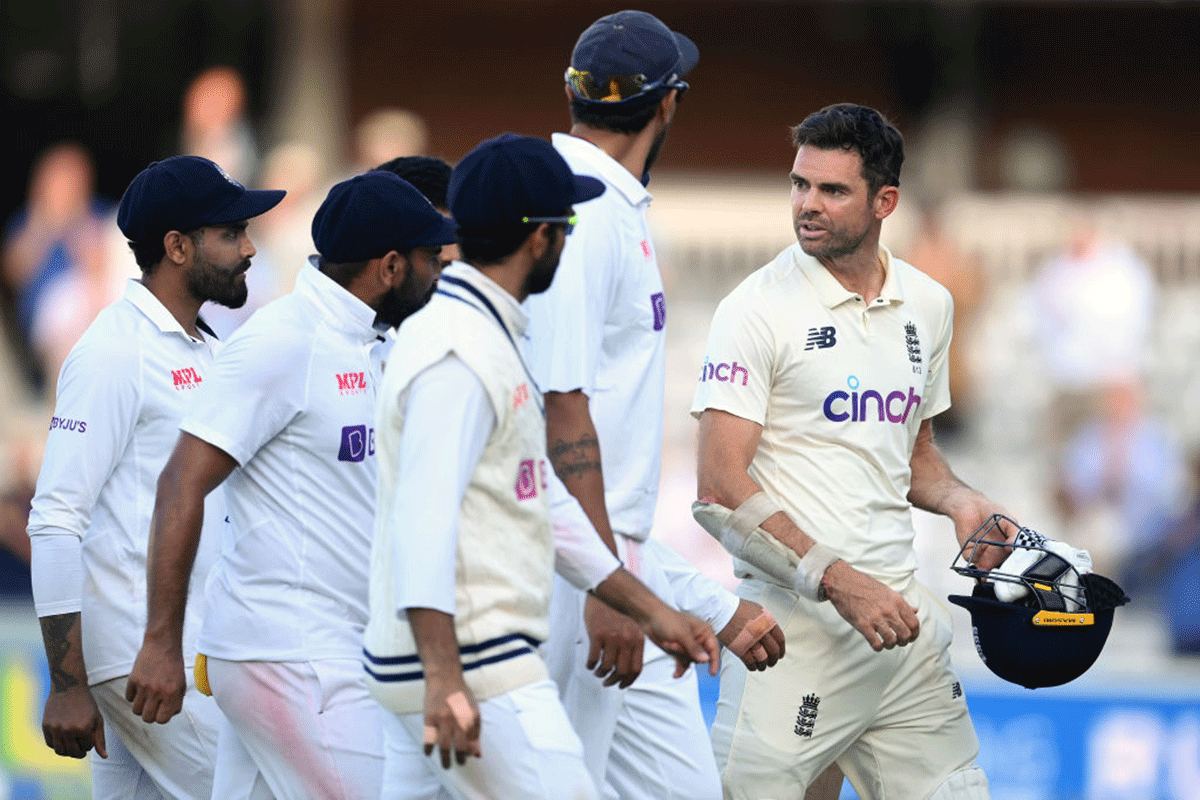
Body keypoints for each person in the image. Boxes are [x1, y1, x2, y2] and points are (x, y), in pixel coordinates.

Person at [363, 133, 721, 800]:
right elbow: (422, 519)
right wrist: (445, 675)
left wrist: (653, 610)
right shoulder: (459, 349)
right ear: (540, 240)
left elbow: (547, 506)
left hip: (448, 660)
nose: (570, 239)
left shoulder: (480, 335)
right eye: (567, 224)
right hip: (472, 664)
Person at [692, 104, 1011, 800]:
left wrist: (962, 501)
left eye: (832, 191)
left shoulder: (929, 304)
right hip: (793, 636)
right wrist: (839, 580)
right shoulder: (755, 309)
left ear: (884, 201)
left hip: (899, 631)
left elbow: (914, 454)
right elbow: (718, 484)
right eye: (800, 185)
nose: (808, 205)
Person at [124, 170, 457, 799]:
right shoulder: (286, 341)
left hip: (319, 652)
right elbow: (181, 483)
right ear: (389, 266)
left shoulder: (372, 345)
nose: (442, 273)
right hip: (291, 654)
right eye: (430, 259)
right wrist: (160, 644)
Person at [523, 12, 786, 800]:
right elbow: (557, 411)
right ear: (670, 103)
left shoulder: (612, 205)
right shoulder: (581, 211)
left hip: (619, 565)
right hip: (579, 574)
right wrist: (608, 586)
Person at [26, 154, 284, 798]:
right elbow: (55, 518)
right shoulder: (115, 351)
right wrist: (66, 682)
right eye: (231, 234)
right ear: (176, 247)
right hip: (146, 661)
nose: (249, 249)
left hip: (172, 656)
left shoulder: (207, 345)